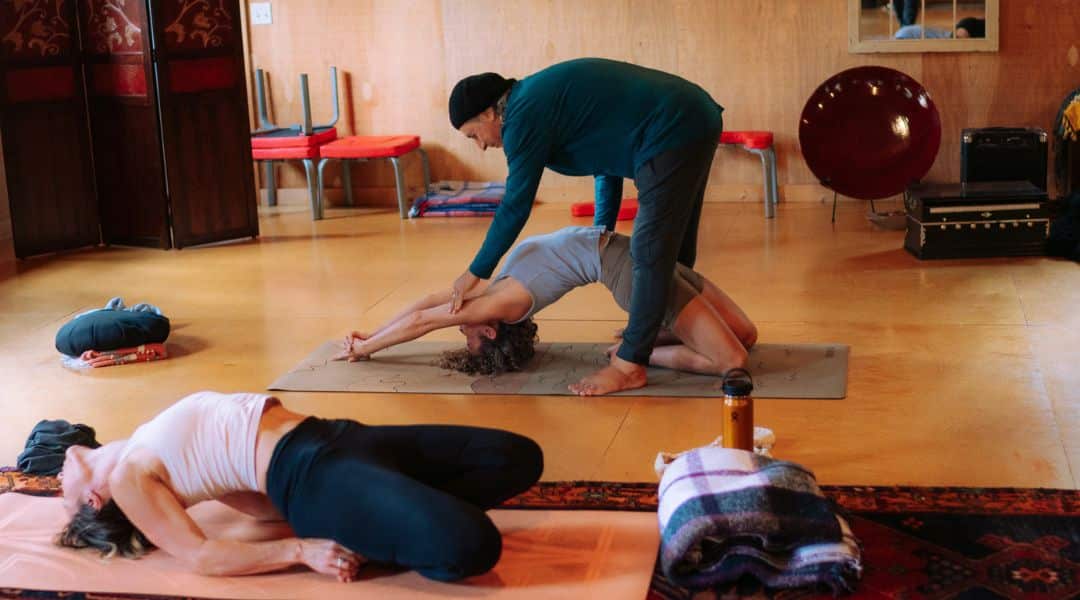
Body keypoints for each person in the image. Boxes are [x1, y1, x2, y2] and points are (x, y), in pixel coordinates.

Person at [446, 58, 725, 396]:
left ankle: (629, 365)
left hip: (672, 127)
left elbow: (516, 204)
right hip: (693, 115)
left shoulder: (522, 117)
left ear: (490, 113)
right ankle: (669, 327)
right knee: (673, 243)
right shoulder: (536, 100)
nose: (481, 145)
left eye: (473, 134)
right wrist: (600, 229)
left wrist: (475, 272)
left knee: (650, 248)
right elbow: (604, 161)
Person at [55, 391, 543, 582]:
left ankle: (384, 519)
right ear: (93, 499)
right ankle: (375, 534)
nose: (57, 475)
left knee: (516, 457)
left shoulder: (151, 444)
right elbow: (202, 556)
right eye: (61, 488)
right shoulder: (127, 478)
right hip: (313, 477)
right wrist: (300, 549)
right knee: (474, 544)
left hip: (341, 436)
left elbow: (258, 504)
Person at [336, 226, 757, 394]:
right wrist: (368, 346)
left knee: (746, 335)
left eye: (464, 332)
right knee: (735, 359)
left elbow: (425, 308)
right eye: (466, 335)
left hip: (635, 251)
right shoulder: (502, 304)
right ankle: (635, 353)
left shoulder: (495, 293)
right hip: (630, 272)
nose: (461, 329)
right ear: (490, 331)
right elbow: (424, 319)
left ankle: (639, 342)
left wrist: (368, 339)